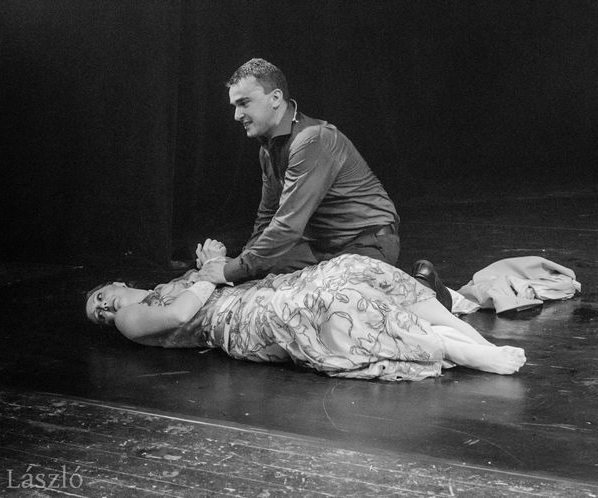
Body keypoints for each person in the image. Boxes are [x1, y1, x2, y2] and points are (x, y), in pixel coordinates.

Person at [198, 58, 452, 310]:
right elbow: (266, 219)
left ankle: (424, 288)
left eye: (244, 103)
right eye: (234, 106)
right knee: (257, 277)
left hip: (367, 243)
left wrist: (229, 270)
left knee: (338, 308)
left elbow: (287, 226)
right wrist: (236, 265)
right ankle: (391, 288)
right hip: (321, 248)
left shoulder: (311, 140)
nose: (237, 115)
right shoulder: (268, 150)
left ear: (275, 98)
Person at [85, 240, 525, 382]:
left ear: (116, 282)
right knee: (319, 304)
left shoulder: (163, 284)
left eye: (100, 296)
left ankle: (462, 333)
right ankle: (449, 346)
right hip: (236, 322)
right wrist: (208, 271)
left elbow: (217, 280)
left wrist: (214, 264)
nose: (104, 308)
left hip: (252, 292)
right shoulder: (129, 319)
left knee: (352, 267)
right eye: (97, 313)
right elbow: (182, 315)